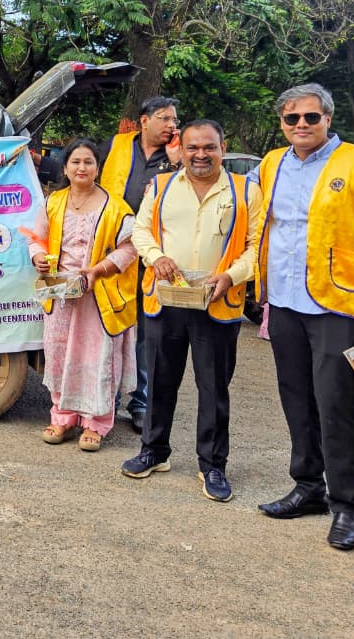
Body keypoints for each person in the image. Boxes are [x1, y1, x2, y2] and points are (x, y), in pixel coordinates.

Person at [253, 83, 354, 551]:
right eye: (291, 118)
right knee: (296, 397)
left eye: (311, 118)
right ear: (281, 123)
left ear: (328, 119)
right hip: (282, 299)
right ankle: (308, 487)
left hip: (338, 302)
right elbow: (264, 226)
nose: (301, 125)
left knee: (335, 404)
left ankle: (345, 504)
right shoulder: (272, 163)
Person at [121, 120, 264, 501]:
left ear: (222, 147)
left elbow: (257, 244)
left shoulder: (245, 190)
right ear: (180, 150)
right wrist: (156, 257)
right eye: (193, 148)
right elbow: (140, 230)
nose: (201, 155)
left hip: (218, 302)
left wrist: (232, 276)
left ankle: (212, 466)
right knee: (160, 380)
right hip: (167, 298)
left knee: (213, 386)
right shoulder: (162, 186)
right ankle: (153, 450)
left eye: (209, 147)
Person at [26, 138, 139, 452]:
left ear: (97, 167)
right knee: (60, 355)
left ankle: (96, 423)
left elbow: (131, 247)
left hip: (98, 296)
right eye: (75, 161)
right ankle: (61, 416)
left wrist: (97, 271)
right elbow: (37, 238)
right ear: (65, 167)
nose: (82, 167)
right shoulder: (53, 202)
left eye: (88, 162)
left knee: (97, 357)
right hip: (61, 295)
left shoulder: (115, 206)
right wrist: (37, 256)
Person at [96, 96, 183, 433]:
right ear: (144, 121)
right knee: (112, 324)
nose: (172, 126)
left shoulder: (178, 156)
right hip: (113, 250)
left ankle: (141, 403)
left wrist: (177, 164)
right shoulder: (118, 145)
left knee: (149, 333)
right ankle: (106, 399)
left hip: (153, 253)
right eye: (165, 118)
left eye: (175, 120)